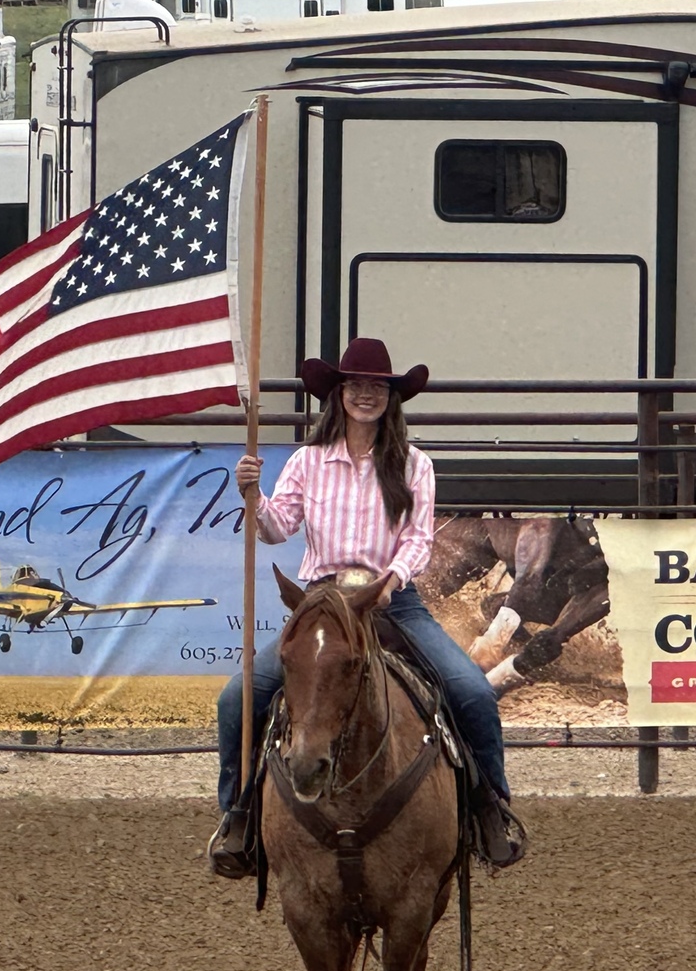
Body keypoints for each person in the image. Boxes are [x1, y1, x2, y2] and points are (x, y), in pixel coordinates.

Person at [208, 337, 526, 876]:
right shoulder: (307, 462)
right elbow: (276, 529)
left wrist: (389, 583)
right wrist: (253, 498)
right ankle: (237, 816)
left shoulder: (413, 464)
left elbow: (418, 540)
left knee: (472, 692)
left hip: (392, 601)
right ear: (338, 394)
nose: (365, 395)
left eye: (376, 387)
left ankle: (489, 809)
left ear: (390, 397)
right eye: (355, 385)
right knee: (238, 698)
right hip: (323, 605)